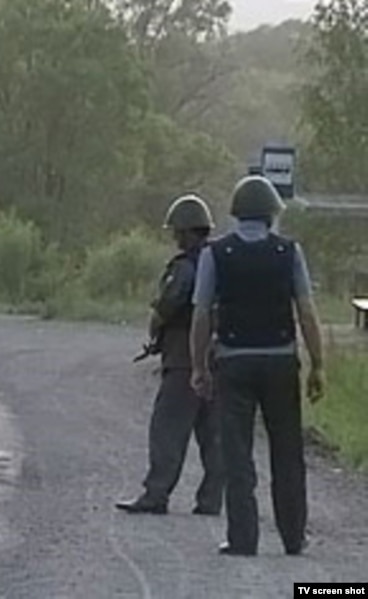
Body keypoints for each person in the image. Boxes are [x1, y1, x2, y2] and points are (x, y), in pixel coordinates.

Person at [190, 175, 325, 557]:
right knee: (287, 451)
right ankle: (293, 537)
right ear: (271, 214)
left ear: (236, 213)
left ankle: (243, 538)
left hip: (233, 361)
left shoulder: (215, 254)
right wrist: (317, 364)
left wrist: (199, 367)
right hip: (281, 361)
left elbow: (202, 315)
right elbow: (307, 311)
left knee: (237, 452)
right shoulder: (289, 252)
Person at [116, 195, 224, 515]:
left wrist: (156, 326)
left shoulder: (185, 267)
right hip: (218, 357)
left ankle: (156, 493)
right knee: (213, 433)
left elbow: (169, 304)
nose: (175, 237)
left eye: (177, 231)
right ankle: (211, 499)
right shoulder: (220, 261)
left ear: (187, 231)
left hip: (183, 359)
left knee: (167, 428)